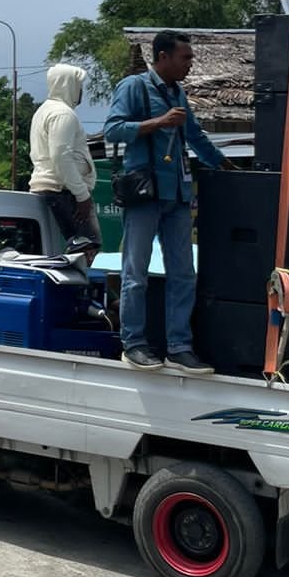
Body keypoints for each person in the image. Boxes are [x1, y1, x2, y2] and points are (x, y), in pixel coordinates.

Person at [103, 30, 228, 374]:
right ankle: (134, 344)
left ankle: (179, 346)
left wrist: (221, 163)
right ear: (162, 57)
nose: (190, 64)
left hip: (177, 196)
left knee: (183, 274)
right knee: (135, 274)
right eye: (185, 57)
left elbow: (195, 136)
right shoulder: (134, 87)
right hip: (144, 193)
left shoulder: (178, 93)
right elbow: (113, 130)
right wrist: (158, 122)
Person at [29, 63, 102, 254]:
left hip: (50, 190)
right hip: (64, 192)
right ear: (68, 85)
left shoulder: (44, 111)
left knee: (62, 252)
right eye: (79, 84)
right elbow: (61, 156)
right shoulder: (63, 114)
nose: (81, 91)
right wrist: (82, 195)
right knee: (86, 251)